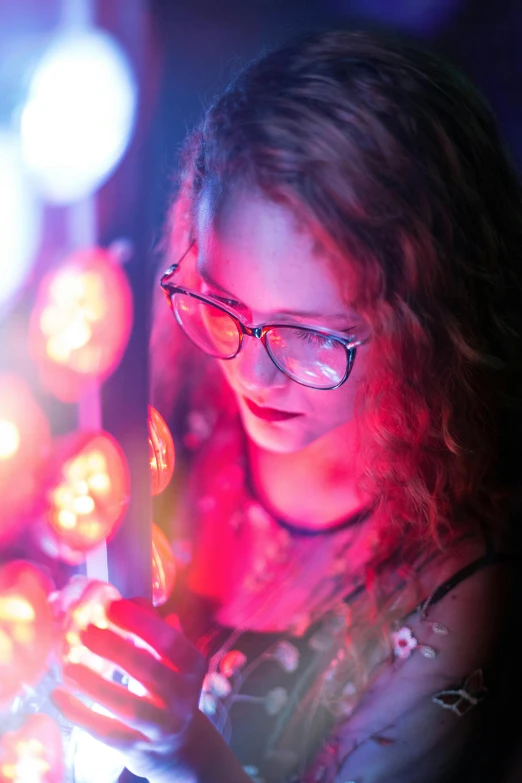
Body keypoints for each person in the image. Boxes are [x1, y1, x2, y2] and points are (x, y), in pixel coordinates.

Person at [52, 28, 522, 783]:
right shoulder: (171, 389)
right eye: (221, 301)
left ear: (434, 328)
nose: (252, 372)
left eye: (310, 336)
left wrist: (187, 757)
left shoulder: (458, 594)